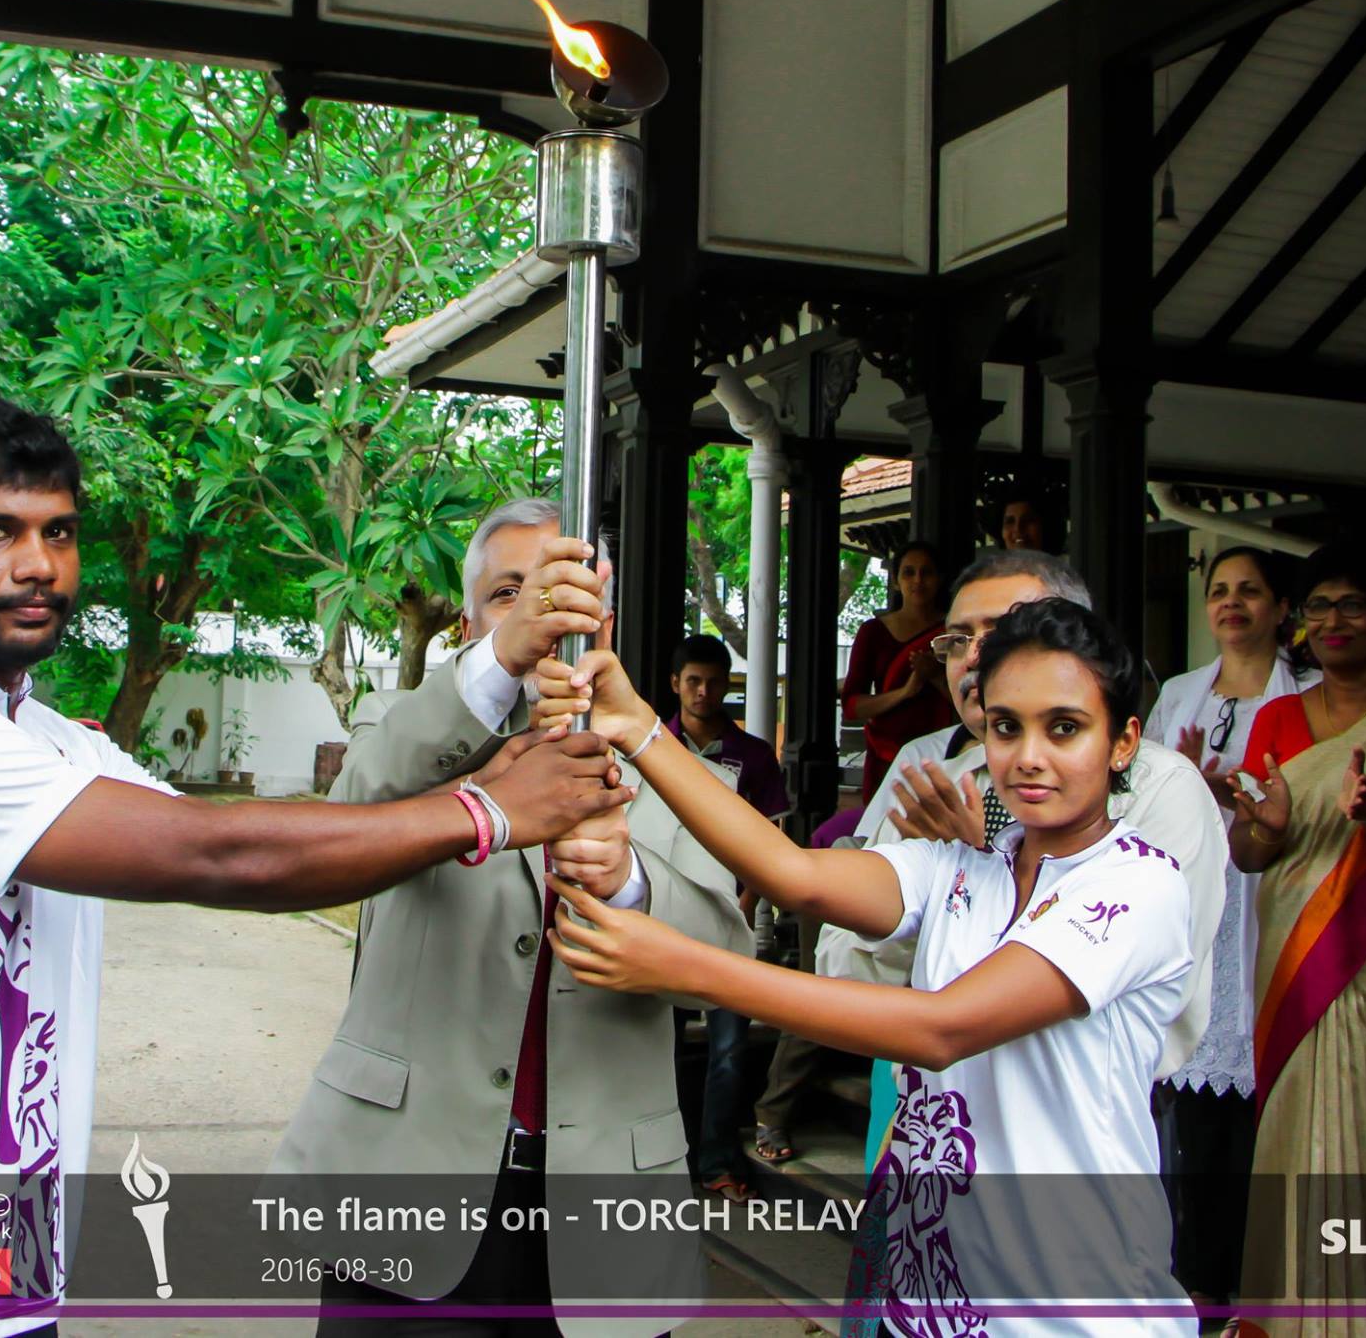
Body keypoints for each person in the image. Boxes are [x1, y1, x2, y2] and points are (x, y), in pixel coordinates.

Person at [0, 401, 629, 1338]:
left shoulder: (37, 736)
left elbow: (278, 832)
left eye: (59, 532)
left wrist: (491, 715)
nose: (37, 563)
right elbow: (216, 856)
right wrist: (486, 809)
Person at [539, 599, 1197, 1338]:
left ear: (1123, 742)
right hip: (932, 1299)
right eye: (1008, 725)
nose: (1030, 754)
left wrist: (688, 966)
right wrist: (641, 729)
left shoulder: (1137, 882)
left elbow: (940, 1028)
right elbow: (791, 873)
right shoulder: (966, 866)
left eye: (1065, 727)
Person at [272, 496, 754, 1337]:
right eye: (511, 593)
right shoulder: (407, 729)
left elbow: (728, 957)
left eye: (565, 592)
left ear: (602, 618)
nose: (544, 613)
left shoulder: (667, 764)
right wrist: (499, 662)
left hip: (605, 1214)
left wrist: (634, 881)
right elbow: (344, 815)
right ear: (470, 621)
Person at [820, 550, 1225, 1171]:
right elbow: (841, 963)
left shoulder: (1162, 790)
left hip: (1076, 1137)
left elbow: (1137, 1003)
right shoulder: (929, 774)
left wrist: (975, 870)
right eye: (958, 640)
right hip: (928, 1117)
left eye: (1005, 629)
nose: (977, 658)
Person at [1227, 543, 1366, 1338]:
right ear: (1299, 623)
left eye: (1354, 604)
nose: (1334, 621)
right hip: (1294, 949)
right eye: (1318, 606)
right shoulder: (1278, 718)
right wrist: (1266, 826)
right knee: (1294, 1135)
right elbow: (1249, 852)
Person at [1141, 547, 1314, 1306]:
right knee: (1195, 1112)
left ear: (1282, 609)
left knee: (1267, 1104)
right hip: (1196, 906)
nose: (1232, 603)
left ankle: (1266, 1282)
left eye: (1250, 591)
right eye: (1219, 591)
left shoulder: (1306, 695)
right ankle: (1199, 1281)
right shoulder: (1180, 692)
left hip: (1273, 903)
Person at [667, 633, 789, 1201]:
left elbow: (772, 845)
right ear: (675, 684)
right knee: (650, 1045)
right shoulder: (652, 748)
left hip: (732, 921)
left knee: (729, 1052)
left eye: (714, 681)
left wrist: (740, 910)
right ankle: (662, 1166)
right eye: (693, 680)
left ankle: (717, 1164)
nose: (703, 691)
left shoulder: (755, 757)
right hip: (659, 921)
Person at [841, 540, 954, 803]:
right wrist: (905, 693)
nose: (918, 580)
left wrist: (935, 676)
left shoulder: (953, 631)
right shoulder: (873, 632)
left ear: (939, 580)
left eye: (926, 572)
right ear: (895, 580)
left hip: (940, 754)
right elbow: (852, 706)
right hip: (885, 755)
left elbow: (972, 704)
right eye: (908, 572)